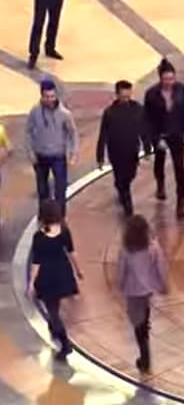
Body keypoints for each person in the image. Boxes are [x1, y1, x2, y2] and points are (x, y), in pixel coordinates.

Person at [27, 199, 82, 361]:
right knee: (54, 307)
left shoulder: (39, 237)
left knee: (52, 311)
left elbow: (36, 263)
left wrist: (31, 283)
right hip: (62, 273)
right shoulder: (64, 231)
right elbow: (72, 252)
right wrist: (78, 271)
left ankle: (65, 343)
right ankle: (54, 329)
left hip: (47, 277)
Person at [117, 215, 168, 373]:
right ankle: (145, 333)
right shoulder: (153, 247)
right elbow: (161, 267)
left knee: (136, 322)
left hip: (132, 290)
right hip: (148, 289)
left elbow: (121, 271)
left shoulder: (126, 250)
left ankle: (144, 355)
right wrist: (163, 284)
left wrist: (119, 285)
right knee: (144, 314)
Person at [96, 80, 150, 216]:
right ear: (117, 95)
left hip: (132, 151)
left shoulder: (137, 109)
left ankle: (122, 189)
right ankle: (127, 205)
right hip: (116, 152)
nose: (126, 99)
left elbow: (144, 129)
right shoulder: (110, 113)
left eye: (128, 96)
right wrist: (100, 156)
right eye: (123, 96)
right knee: (122, 179)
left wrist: (147, 147)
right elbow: (103, 135)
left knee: (130, 175)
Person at [25, 80, 78, 217]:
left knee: (60, 190)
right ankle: (44, 217)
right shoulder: (34, 112)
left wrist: (73, 154)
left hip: (58, 156)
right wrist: (30, 152)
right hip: (40, 156)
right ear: (41, 96)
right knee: (42, 190)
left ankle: (60, 217)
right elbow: (28, 132)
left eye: (52, 96)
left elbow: (73, 133)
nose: (50, 100)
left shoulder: (64, 114)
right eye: (46, 97)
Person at [144, 58, 184, 219]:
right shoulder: (151, 94)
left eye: (171, 78)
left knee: (179, 167)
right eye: (166, 79)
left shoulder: (181, 89)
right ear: (160, 78)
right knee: (159, 162)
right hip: (160, 134)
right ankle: (160, 185)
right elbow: (148, 119)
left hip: (176, 133)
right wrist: (154, 138)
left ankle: (181, 200)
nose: (169, 82)